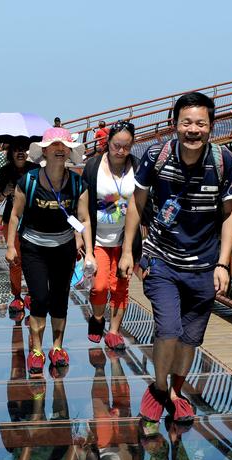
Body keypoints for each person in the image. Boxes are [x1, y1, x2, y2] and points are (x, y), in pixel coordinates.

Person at [118, 92, 232, 428]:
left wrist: (223, 263)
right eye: (186, 122)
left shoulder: (223, 161)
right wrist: (129, 251)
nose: (193, 129)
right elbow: (136, 203)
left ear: (211, 127)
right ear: (175, 124)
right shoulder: (157, 155)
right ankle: (159, 390)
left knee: (190, 339)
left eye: (201, 123)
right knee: (168, 329)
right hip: (162, 260)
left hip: (204, 265)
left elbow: (230, 214)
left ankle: (176, 392)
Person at [6, 127, 94, 375]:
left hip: (63, 248)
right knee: (40, 299)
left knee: (59, 299)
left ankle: (57, 347)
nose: (59, 150)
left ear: (69, 151)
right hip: (34, 247)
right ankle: (36, 350)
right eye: (53, 146)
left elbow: (84, 218)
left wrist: (89, 252)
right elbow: (15, 215)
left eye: (63, 146)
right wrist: (10, 245)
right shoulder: (30, 181)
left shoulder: (78, 184)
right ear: (44, 150)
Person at [82, 121, 139, 350]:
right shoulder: (93, 165)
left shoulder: (137, 167)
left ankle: (114, 332)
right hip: (97, 238)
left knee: (120, 286)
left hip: (125, 239)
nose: (121, 151)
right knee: (99, 286)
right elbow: (83, 204)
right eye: (116, 145)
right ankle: (97, 319)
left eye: (126, 146)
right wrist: (80, 237)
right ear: (108, 143)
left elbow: (144, 202)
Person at [0, 139, 39, 316]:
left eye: (24, 150)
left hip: (34, 221)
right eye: (17, 150)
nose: (20, 153)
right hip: (10, 220)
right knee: (15, 259)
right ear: (11, 152)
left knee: (33, 260)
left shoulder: (35, 169)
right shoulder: (5, 171)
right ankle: (17, 296)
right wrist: (5, 192)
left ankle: (33, 295)